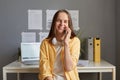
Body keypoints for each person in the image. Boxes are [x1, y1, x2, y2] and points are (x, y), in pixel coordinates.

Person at [38, 9, 80, 80]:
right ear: (54, 23)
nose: (62, 24)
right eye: (59, 20)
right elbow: (45, 69)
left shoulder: (75, 41)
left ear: (68, 25)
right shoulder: (45, 43)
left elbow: (69, 67)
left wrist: (66, 43)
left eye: (65, 21)